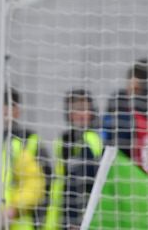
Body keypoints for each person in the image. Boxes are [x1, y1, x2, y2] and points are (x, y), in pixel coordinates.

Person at [44, 90, 103, 230]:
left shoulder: (94, 139)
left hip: (84, 212)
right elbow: (61, 180)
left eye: (84, 109)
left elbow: (88, 181)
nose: (80, 114)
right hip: (63, 211)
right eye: (76, 109)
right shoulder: (62, 140)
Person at [1, 89, 46, 230]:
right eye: (3, 106)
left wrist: (14, 208)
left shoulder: (26, 141)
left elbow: (35, 182)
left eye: (10, 106)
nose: (6, 112)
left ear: (17, 111)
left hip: (16, 222)